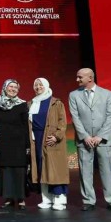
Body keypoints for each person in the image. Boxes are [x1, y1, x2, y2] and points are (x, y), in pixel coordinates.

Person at [69, 68, 111, 212]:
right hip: (84, 140)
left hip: (103, 139)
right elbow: (75, 117)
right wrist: (85, 136)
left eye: (80, 77)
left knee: (108, 170)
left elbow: (110, 116)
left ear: (90, 77)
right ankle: (88, 200)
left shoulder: (106, 94)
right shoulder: (74, 95)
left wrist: (100, 136)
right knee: (85, 171)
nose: (77, 80)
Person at [28, 78, 69, 211]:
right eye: (36, 85)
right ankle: (46, 199)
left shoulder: (56, 103)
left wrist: (56, 136)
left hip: (51, 139)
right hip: (37, 139)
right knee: (42, 169)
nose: (38, 87)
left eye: (41, 85)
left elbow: (62, 122)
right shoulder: (31, 103)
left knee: (55, 170)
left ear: (46, 86)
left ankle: (59, 200)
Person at [0, 79, 30, 210]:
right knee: (6, 170)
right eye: (11, 86)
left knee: (19, 170)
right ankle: (8, 198)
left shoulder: (22, 104)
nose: (13, 89)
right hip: (2, 142)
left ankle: (20, 198)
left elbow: (25, 125)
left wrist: (27, 145)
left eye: (16, 87)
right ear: (5, 87)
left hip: (18, 143)